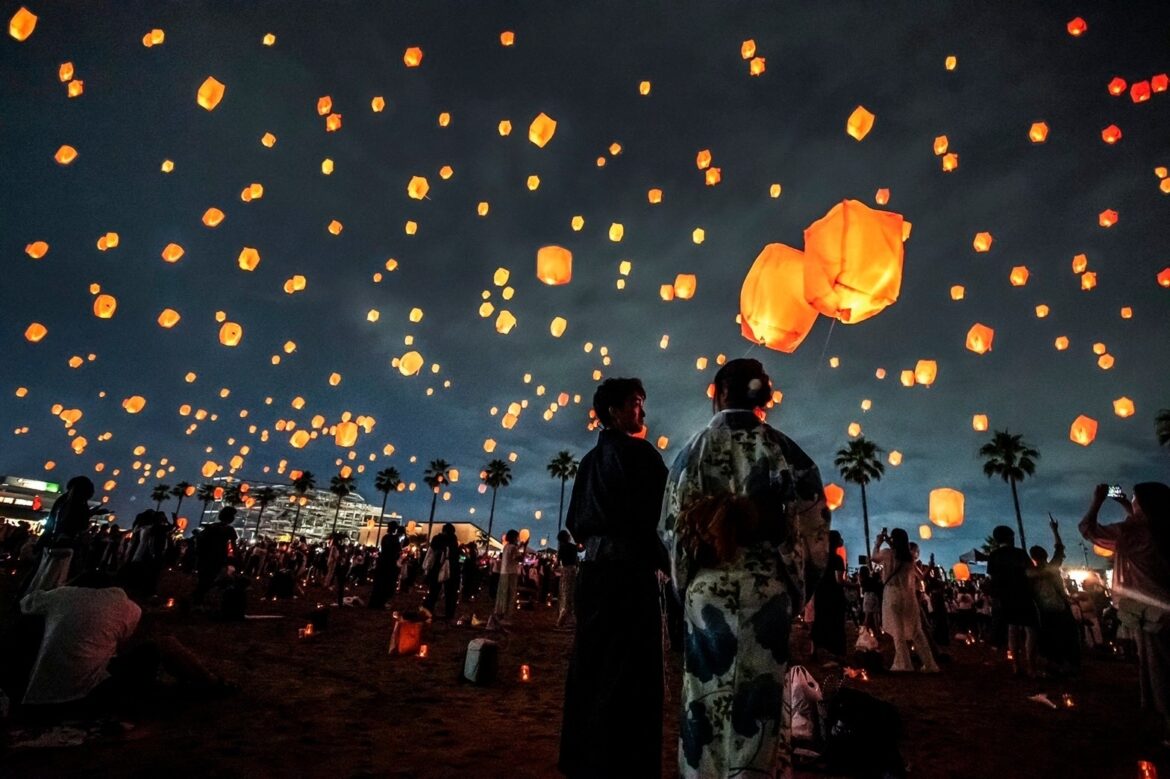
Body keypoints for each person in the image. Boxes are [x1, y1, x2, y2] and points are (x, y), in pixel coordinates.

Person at [659, 359, 830, 778]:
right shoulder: (788, 453)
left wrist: (688, 587)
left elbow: (672, 530)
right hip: (766, 590)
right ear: (764, 397)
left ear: (717, 392)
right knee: (761, 703)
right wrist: (795, 590)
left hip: (708, 590)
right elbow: (815, 533)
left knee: (704, 698)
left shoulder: (691, 452)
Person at [559, 377, 669, 778]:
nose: (642, 411)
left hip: (594, 575)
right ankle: (623, 762)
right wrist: (670, 565)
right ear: (614, 411)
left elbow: (575, 524)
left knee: (591, 664)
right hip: (629, 576)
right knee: (631, 672)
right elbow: (658, 520)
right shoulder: (642, 457)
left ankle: (583, 757)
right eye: (636, 403)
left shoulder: (589, 463)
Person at [1079, 482, 1170, 747]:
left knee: (1160, 669)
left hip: (1153, 614)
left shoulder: (1132, 532)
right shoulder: (1162, 528)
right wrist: (1125, 505)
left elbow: (1089, 529)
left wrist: (1097, 500)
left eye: (1135, 500)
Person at [872, 528, 939, 673]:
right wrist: (931, 565)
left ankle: (904, 663)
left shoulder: (887, 553)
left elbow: (874, 558)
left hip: (892, 595)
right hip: (909, 597)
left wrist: (878, 543)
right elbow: (921, 577)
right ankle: (929, 664)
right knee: (917, 631)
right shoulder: (909, 558)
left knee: (898, 631)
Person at [986, 524, 1039, 676]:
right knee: (1030, 629)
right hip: (1023, 594)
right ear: (1010, 537)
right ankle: (1031, 666)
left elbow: (992, 578)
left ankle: (1016, 665)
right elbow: (1030, 572)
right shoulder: (1019, 553)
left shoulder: (994, 555)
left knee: (1012, 629)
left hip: (1005, 597)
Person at [1029, 517, 1079, 674]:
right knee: (1067, 636)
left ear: (1033, 558)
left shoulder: (1031, 574)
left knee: (1050, 638)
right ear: (1044, 556)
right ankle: (1068, 664)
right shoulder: (1053, 567)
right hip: (1060, 607)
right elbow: (1059, 548)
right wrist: (1055, 530)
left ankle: (1054, 664)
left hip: (1044, 611)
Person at [812, 531, 847, 658]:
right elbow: (839, 580)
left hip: (821, 592)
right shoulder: (837, 559)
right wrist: (852, 585)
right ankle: (836, 650)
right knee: (835, 621)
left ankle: (815, 649)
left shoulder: (820, 558)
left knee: (820, 619)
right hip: (834, 593)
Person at [192, 507, 238, 606]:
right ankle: (202, 600)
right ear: (230, 518)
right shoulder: (229, 529)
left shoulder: (212, 526)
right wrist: (236, 558)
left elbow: (199, 537)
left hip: (205, 556)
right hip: (218, 557)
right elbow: (233, 545)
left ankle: (198, 599)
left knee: (203, 579)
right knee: (213, 578)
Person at [423, 523, 460, 619]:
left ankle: (428, 611)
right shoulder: (453, 540)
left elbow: (431, 554)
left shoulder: (437, 539)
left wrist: (427, 568)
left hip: (437, 567)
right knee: (450, 593)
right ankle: (449, 614)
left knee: (433, 591)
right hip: (451, 569)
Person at [489, 529, 525, 627]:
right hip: (511, 573)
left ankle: (499, 613)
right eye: (517, 537)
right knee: (510, 594)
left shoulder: (506, 547)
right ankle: (506, 616)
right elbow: (519, 558)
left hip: (504, 573)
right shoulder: (513, 548)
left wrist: (521, 546)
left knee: (502, 594)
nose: (518, 539)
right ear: (514, 537)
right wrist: (524, 548)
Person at [368, 521, 402, 609]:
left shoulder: (385, 537)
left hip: (382, 562)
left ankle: (374, 602)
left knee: (379, 584)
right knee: (387, 584)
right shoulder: (394, 539)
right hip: (389, 563)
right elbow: (397, 550)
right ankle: (381, 603)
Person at [555, 529, 579, 628]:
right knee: (571, 594)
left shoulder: (561, 548)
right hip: (572, 570)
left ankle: (562, 618)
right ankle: (564, 620)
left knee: (564, 594)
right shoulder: (572, 547)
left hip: (564, 571)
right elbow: (581, 549)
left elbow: (557, 563)